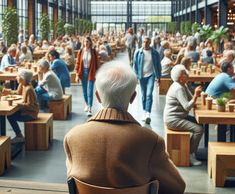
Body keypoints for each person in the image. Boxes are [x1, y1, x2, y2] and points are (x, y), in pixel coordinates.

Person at [64, 61, 186, 194]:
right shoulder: (150, 141)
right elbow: (177, 187)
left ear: (98, 96)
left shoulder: (73, 137)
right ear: (133, 97)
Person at [164, 65, 204, 166]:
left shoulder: (183, 85)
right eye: (184, 73)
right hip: (173, 119)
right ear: (179, 77)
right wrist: (195, 95)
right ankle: (190, 155)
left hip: (180, 116)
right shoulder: (178, 88)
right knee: (199, 129)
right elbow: (187, 106)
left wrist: (196, 96)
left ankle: (192, 151)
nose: (187, 74)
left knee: (201, 124)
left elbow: (191, 101)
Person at [3, 69, 39, 143]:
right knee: (10, 115)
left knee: (10, 116)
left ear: (23, 79)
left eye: (18, 76)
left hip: (31, 114)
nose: (16, 77)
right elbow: (18, 93)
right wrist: (8, 91)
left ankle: (19, 136)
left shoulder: (28, 89)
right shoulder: (23, 85)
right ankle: (19, 135)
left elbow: (31, 106)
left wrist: (18, 105)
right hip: (26, 110)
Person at [133, 35, 162, 124]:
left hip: (151, 75)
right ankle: (144, 111)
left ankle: (148, 113)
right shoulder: (138, 53)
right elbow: (135, 65)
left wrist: (159, 77)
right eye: (144, 42)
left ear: (150, 43)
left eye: (147, 42)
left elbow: (158, 65)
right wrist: (136, 77)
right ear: (142, 43)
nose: (145, 44)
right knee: (143, 95)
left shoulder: (155, 53)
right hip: (141, 76)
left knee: (149, 94)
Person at [75, 36, 99, 116]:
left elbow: (96, 63)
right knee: (84, 90)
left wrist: (97, 72)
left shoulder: (93, 51)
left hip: (91, 71)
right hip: (83, 71)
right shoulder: (81, 51)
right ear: (83, 42)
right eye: (85, 41)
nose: (86, 43)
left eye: (87, 41)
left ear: (90, 42)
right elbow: (78, 63)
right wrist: (77, 74)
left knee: (90, 90)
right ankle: (86, 103)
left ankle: (90, 109)